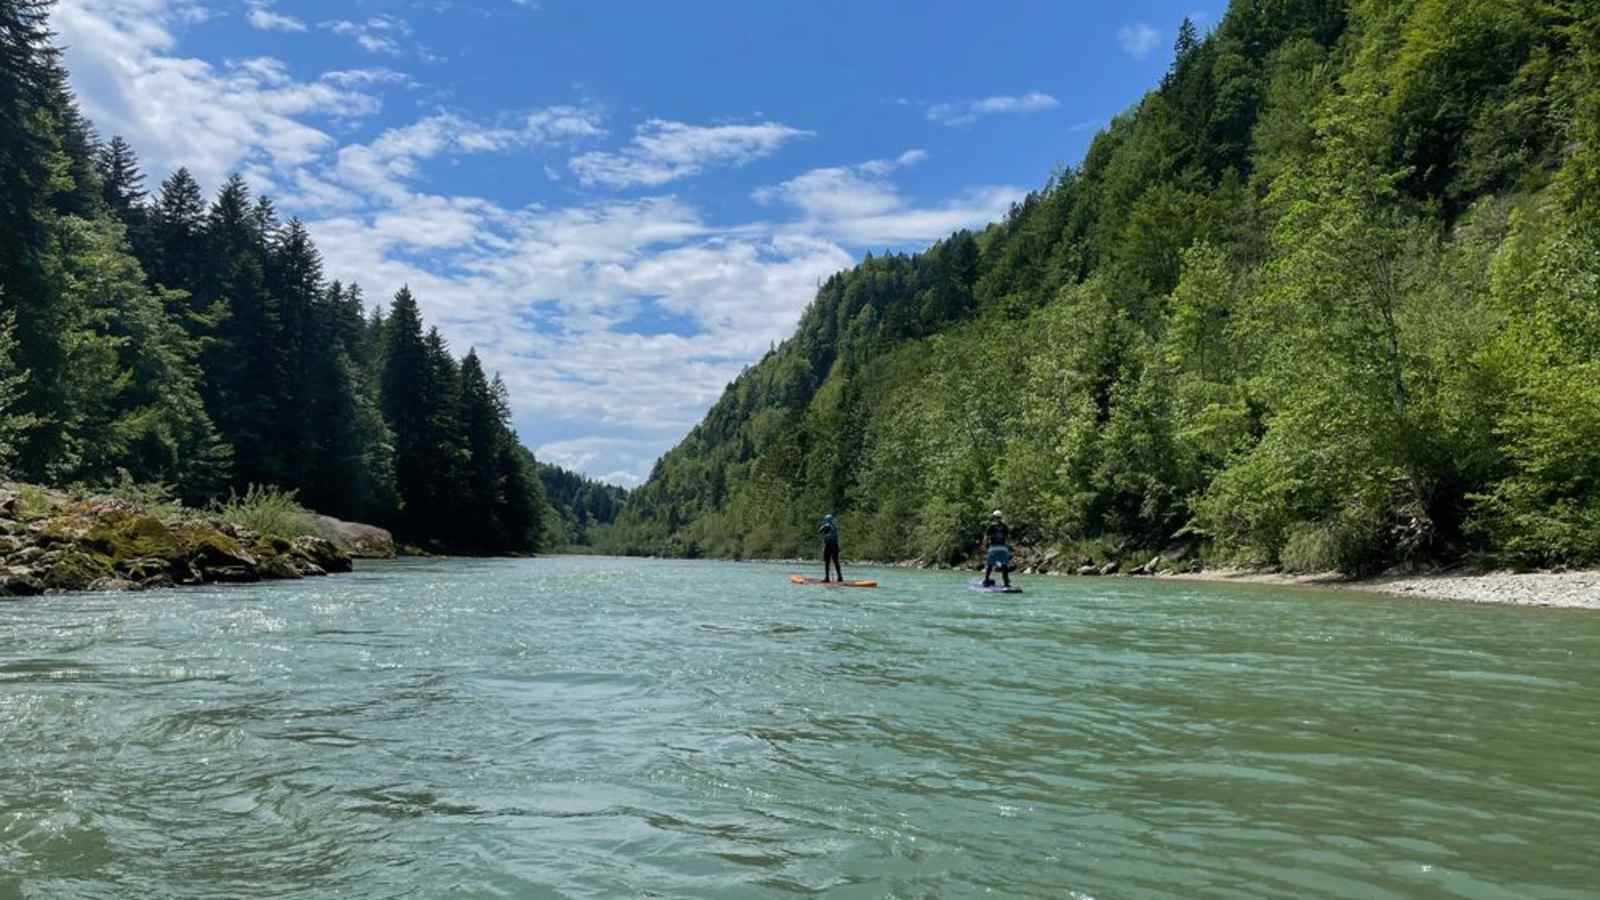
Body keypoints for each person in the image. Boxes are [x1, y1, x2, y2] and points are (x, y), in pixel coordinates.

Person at [982, 510, 1012, 588]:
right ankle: (1006, 582)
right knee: (1004, 565)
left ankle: (986, 580)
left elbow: (986, 538)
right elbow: (1008, 539)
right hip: (1003, 548)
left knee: (990, 565)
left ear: (994, 517)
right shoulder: (1005, 526)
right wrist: (1008, 549)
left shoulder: (991, 526)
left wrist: (984, 546)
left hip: (993, 548)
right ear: (1001, 517)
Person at [818, 514, 843, 583]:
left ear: (826, 520)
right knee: (836, 561)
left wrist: (823, 526)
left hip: (829, 545)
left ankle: (827, 578)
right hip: (835, 545)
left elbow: (819, 531)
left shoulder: (827, 525)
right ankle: (840, 577)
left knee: (827, 562)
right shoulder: (834, 526)